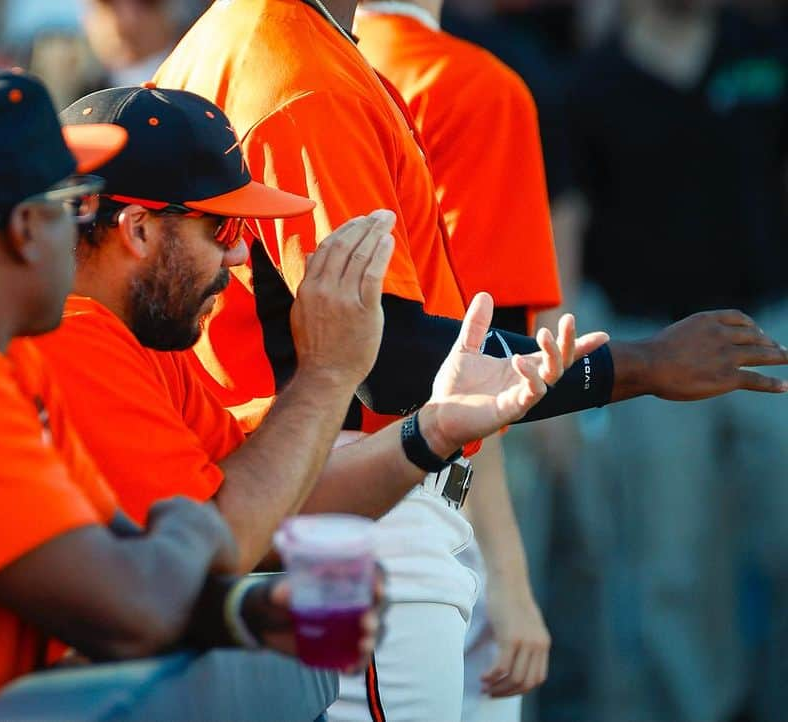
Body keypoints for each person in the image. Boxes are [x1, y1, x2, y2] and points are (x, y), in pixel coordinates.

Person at [151, 2, 788, 720]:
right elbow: (388, 359)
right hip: (348, 500)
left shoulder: (250, 38)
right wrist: (639, 366)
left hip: (288, 489)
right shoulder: (304, 71)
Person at [0, 65, 379, 715]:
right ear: (25, 229)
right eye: (78, 206)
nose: (89, 233)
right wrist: (196, 524)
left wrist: (237, 604)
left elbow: (118, 557)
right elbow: (130, 609)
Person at [37, 86, 601, 579]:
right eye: (224, 226)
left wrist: (435, 425)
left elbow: (276, 503)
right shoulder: (70, 335)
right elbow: (223, 547)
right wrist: (328, 374)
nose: (238, 252)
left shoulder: (138, 335)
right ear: (137, 228)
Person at [561, 1, 788, 720]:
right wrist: (571, 382)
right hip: (651, 356)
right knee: (672, 565)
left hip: (771, 333)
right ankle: (709, 708)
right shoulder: (588, 85)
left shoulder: (765, 52)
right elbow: (567, 232)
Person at [355, 1, 559, 719]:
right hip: (422, 500)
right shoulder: (466, 85)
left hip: (277, 483)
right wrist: (507, 572)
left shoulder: (252, 51)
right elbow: (478, 373)